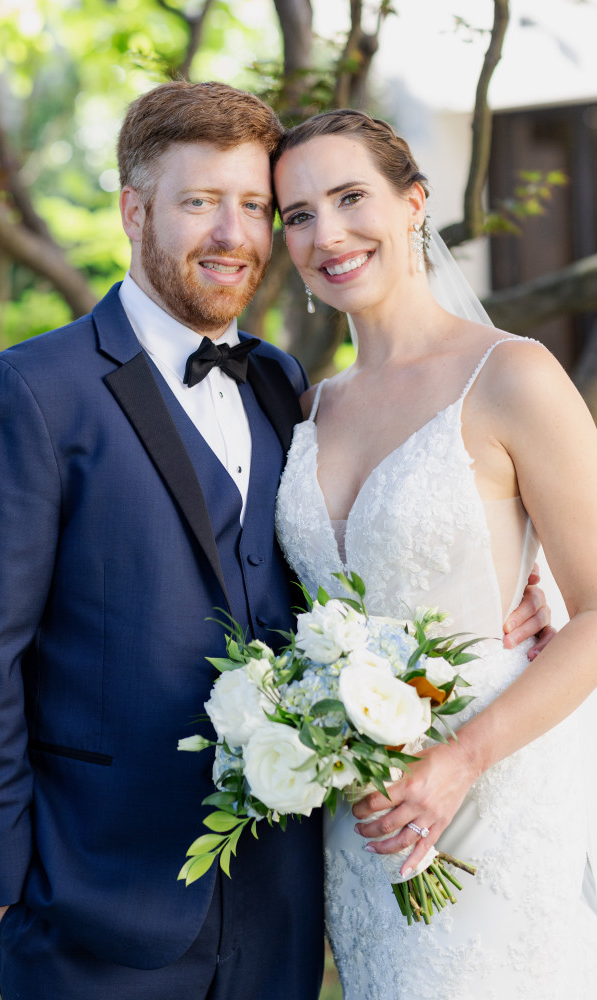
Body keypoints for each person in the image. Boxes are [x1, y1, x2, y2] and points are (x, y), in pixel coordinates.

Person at [0, 83, 548, 1000]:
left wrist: (532, 580)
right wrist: (0, 882)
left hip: (280, 895)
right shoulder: (31, 391)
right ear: (135, 209)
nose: (232, 234)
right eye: (197, 203)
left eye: (255, 206)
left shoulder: (281, 384)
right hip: (94, 894)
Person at [273, 109, 597, 999]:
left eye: (349, 198)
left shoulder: (513, 376)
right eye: (297, 215)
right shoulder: (306, 412)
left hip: (492, 793)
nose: (326, 234)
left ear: (414, 202)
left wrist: (457, 761)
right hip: (364, 819)